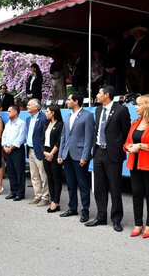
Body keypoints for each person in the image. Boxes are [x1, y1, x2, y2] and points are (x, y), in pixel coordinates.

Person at [86, 85, 130, 232]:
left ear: (107, 95)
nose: (97, 95)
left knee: (115, 187)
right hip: (98, 152)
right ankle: (101, 217)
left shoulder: (121, 110)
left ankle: (116, 220)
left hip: (113, 154)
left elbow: (126, 132)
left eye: (99, 93)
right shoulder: (98, 110)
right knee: (99, 187)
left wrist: (118, 147)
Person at [123, 95, 149, 238]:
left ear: (146, 106)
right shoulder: (135, 122)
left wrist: (140, 146)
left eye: (139, 105)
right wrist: (129, 147)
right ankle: (138, 223)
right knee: (136, 194)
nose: (136, 107)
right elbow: (127, 143)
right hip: (134, 164)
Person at [57, 93, 94, 222]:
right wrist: (60, 154)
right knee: (71, 184)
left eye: (69, 99)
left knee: (83, 184)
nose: (67, 101)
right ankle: (72, 208)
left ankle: (85, 211)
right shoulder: (67, 116)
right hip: (67, 155)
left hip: (80, 155)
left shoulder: (87, 116)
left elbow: (89, 138)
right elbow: (63, 137)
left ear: (76, 101)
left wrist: (85, 156)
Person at [26, 98, 49, 206]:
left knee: (43, 175)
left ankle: (45, 197)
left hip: (39, 151)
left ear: (36, 107)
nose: (27, 107)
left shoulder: (43, 118)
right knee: (34, 175)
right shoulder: (28, 119)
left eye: (29, 105)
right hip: (30, 150)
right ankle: (37, 195)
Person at [41, 105, 64, 213]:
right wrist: (45, 152)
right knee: (50, 178)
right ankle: (52, 199)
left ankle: (56, 201)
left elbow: (59, 141)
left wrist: (51, 154)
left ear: (53, 113)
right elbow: (41, 139)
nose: (46, 113)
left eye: (48, 111)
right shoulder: (46, 124)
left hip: (54, 153)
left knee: (56, 178)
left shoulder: (60, 124)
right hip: (46, 153)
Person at [2, 105, 27, 201]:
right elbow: (4, 136)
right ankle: (13, 191)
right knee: (11, 172)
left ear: (15, 112)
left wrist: (11, 148)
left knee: (19, 172)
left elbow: (20, 138)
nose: (7, 113)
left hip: (16, 150)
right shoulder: (8, 124)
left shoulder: (21, 123)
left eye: (9, 111)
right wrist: (4, 146)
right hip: (7, 149)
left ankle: (20, 193)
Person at [126, 26, 149, 94]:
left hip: (142, 66)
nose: (135, 34)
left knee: (142, 84)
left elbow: (146, 54)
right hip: (133, 67)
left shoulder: (145, 41)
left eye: (137, 32)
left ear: (142, 32)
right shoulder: (135, 42)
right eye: (134, 32)